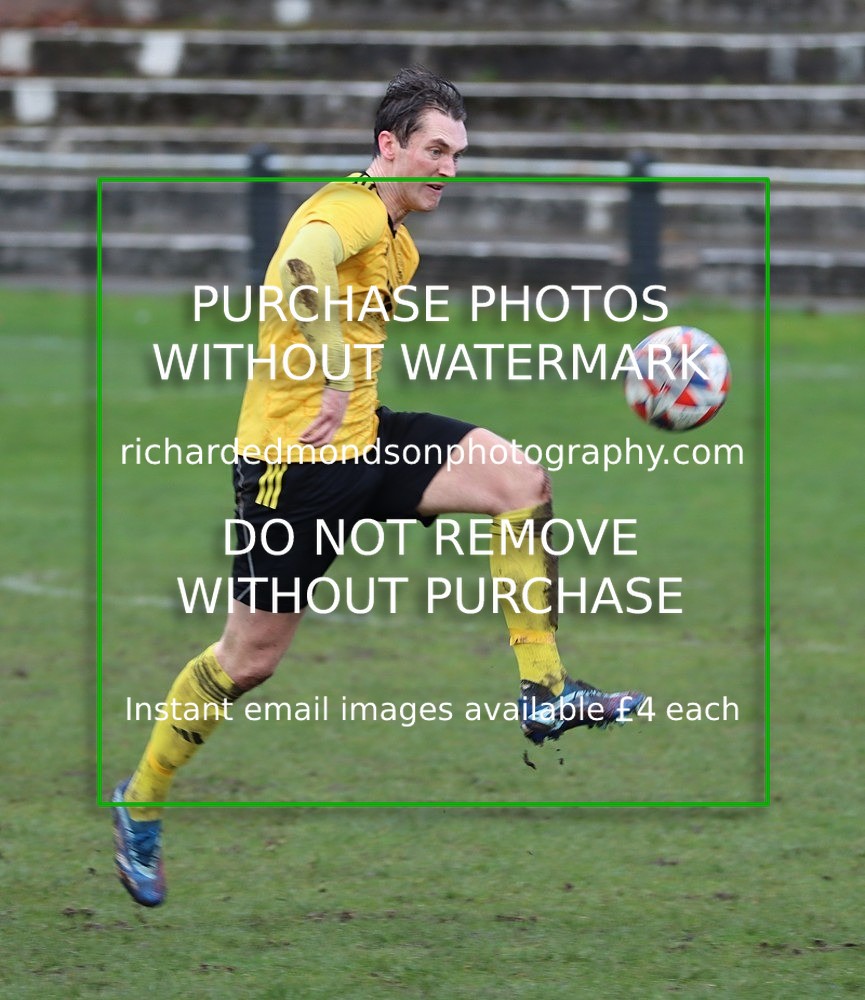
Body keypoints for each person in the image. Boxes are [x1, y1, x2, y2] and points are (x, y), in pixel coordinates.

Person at [112, 67, 645, 907]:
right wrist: (327, 371)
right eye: (434, 150)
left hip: (366, 441)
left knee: (520, 482)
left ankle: (545, 692)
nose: (447, 169)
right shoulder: (351, 208)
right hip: (295, 470)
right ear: (388, 146)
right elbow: (297, 264)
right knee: (248, 660)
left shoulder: (400, 238)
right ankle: (140, 803)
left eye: (458, 155)